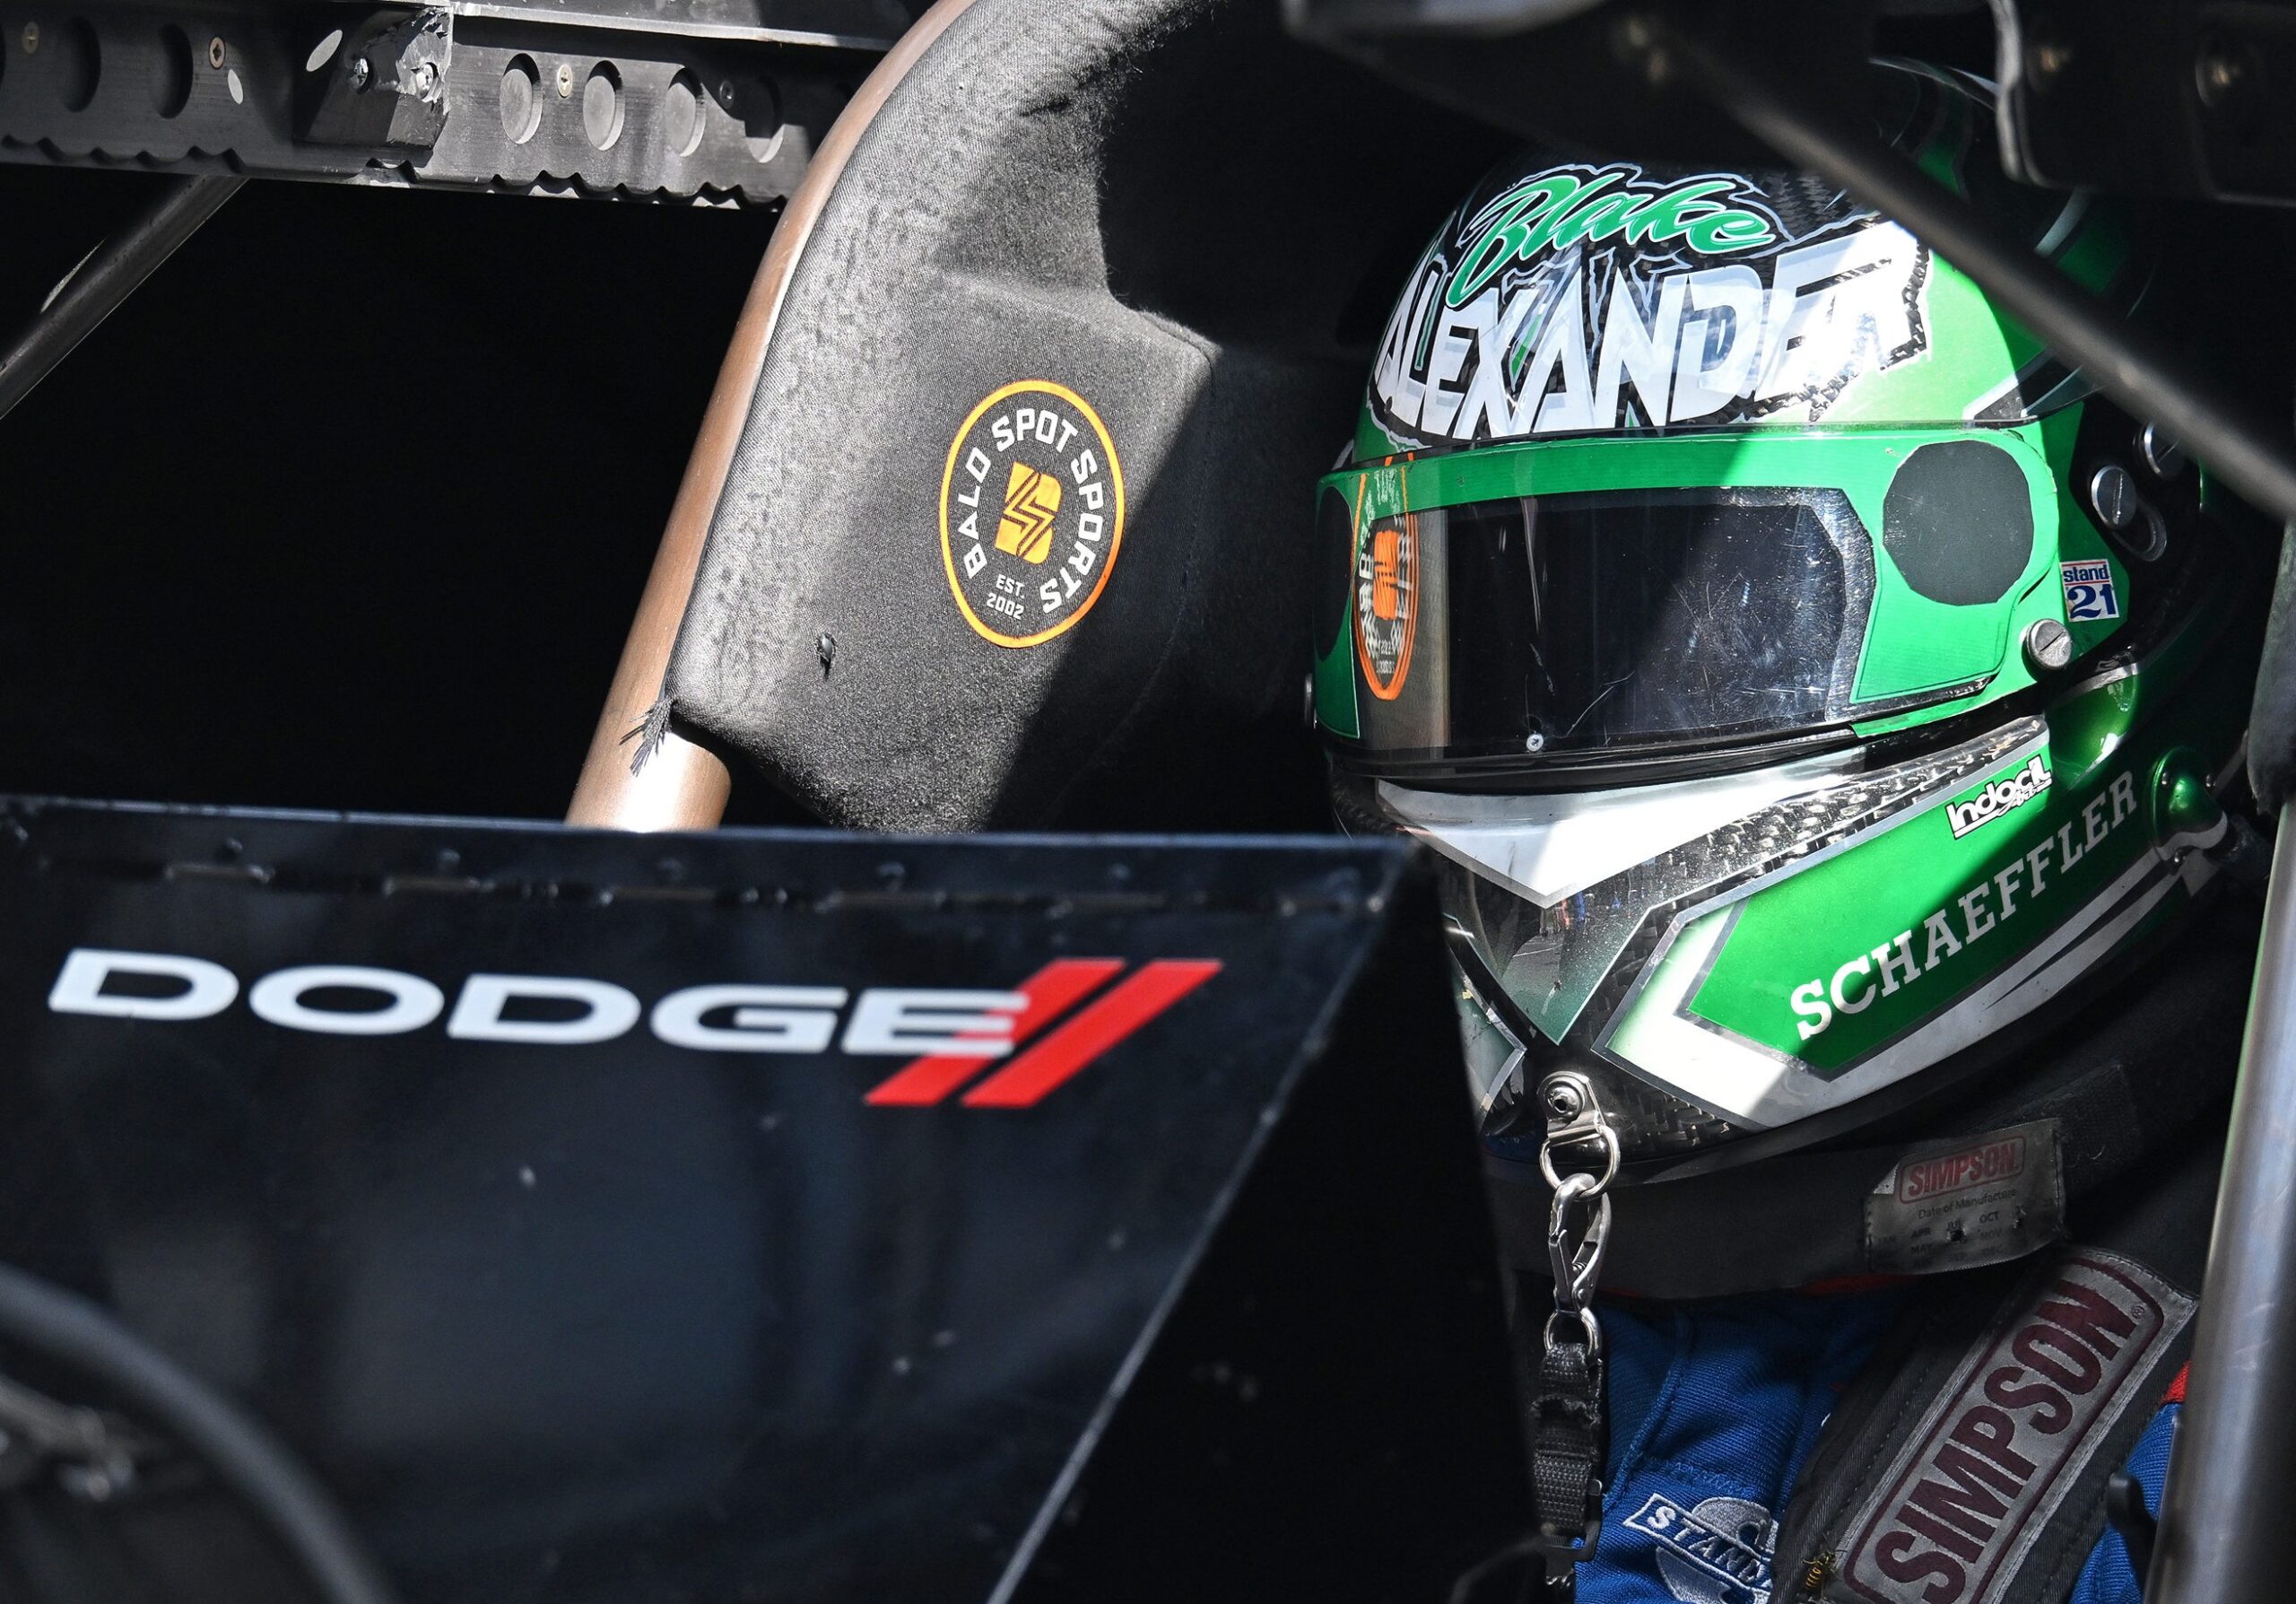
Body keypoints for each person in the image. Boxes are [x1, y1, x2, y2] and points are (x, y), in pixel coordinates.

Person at [1311, 59, 2275, 1604]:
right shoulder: (1315, 1282)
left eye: (1729, 618)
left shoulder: (2235, 1387)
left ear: (2097, 590)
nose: (1570, 735)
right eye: (1498, 631)